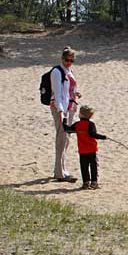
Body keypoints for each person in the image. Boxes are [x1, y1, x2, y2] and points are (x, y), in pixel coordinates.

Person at [50, 47, 80, 181]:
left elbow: (69, 89)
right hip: (60, 109)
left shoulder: (69, 71)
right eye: (67, 60)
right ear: (62, 59)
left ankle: (62, 168)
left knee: (66, 139)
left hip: (70, 107)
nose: (69, 63)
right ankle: (59, 172)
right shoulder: (57, 72)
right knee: (61, 138)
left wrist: (76, 94)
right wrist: (61, 111)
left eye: (71, 61)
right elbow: (57, 94)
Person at [64, 105, 107, 189]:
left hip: (82, 150)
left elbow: (67, 129)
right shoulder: (91, 124)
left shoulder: (77, 124)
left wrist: (64, 121)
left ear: (81, 115)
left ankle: (85, 183)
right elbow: (93, 135)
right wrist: (103, 137)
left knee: (84, 167)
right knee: (93, 166)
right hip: (91, 149)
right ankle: (94, 182)